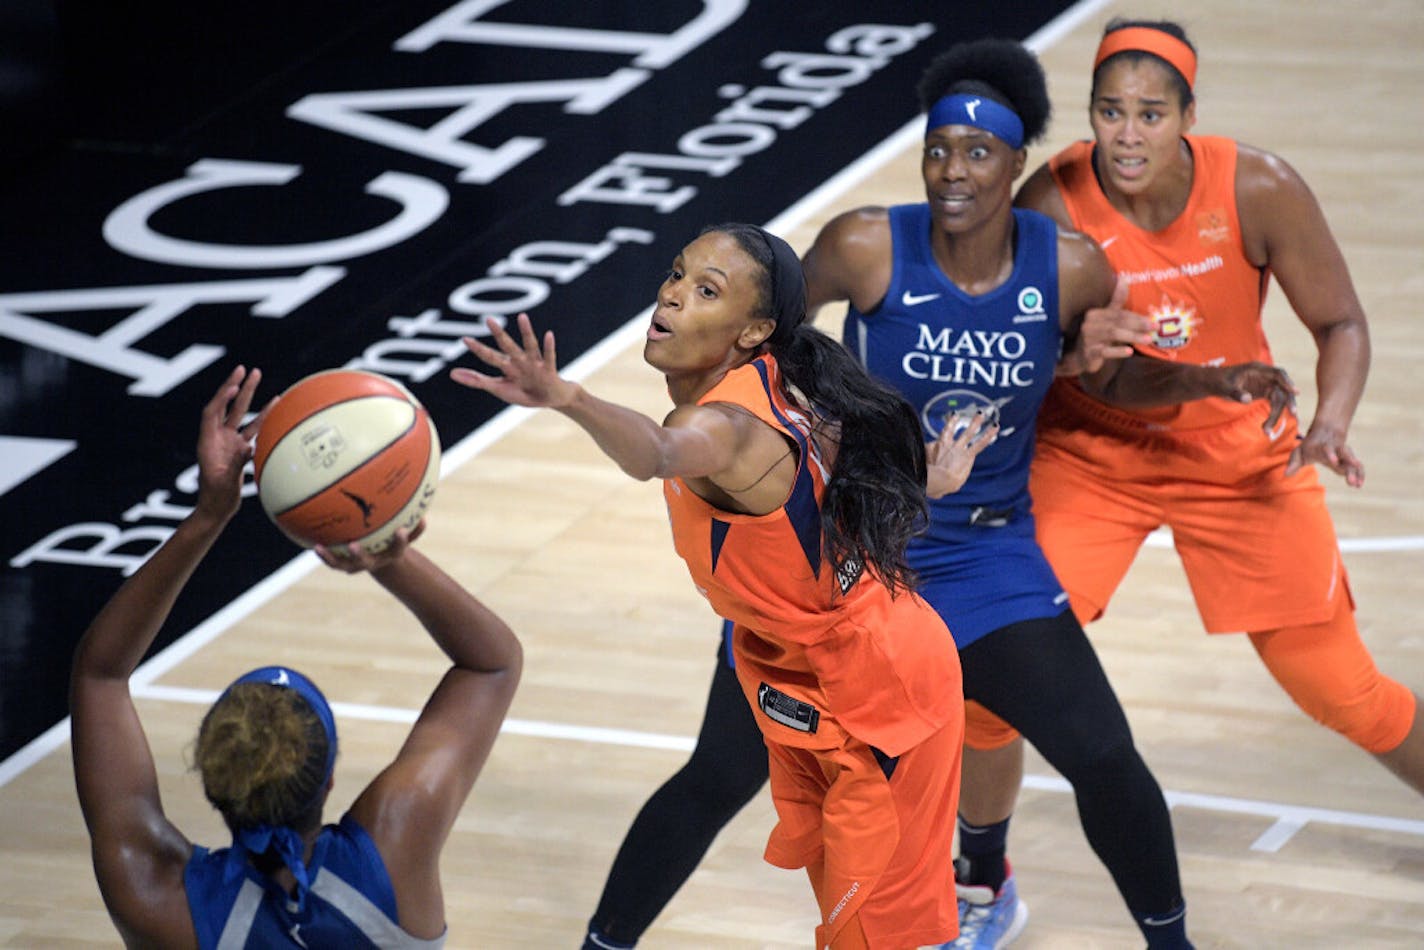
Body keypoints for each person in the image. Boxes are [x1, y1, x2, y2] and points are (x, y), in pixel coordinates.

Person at [575, 40, 1297, 950]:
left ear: (1015, 163)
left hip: (987, 557)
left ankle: (1166, 940)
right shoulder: (868, 244)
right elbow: (766, 324)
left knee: (1105, 757)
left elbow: (1107, 388)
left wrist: (1210, 377)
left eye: (978, 151)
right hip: (843, 562)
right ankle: (602, 943)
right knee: (717, 773)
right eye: (937, 149)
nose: (954, 169)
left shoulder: (1070, 266)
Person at [947, 16, 1424, 914]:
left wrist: (1331, 419)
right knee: (989, 677)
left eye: (1151, 113)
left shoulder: (1259, 186)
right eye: (1110, 112)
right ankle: (981, 879)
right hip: (1093, 455)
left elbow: (1342, 323)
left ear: (1188, 116)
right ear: (1090, 115)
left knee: (1344, 692)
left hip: (1237, 456)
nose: (1128, 134)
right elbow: (1018, 354)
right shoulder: (1051, 203)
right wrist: (1067, 358)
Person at [452, 224, 968, 949]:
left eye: (705, 291)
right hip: (795, 670)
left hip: (879, 694)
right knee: (848, 920)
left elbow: (661, 453)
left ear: (755, 329)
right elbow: (842, 472)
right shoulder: (788, 379)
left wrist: (568, 397)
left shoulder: (724, 426)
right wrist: (931, 479)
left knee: (880, 938)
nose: (670, 295)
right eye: (676, 274)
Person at [70, 365, 524, 949]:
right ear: (331, 777)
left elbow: (98, 674)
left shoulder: (158, 902)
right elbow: (493, 662)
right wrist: (380, 555)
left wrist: (208, 516)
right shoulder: (393, 850)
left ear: (213, 785)